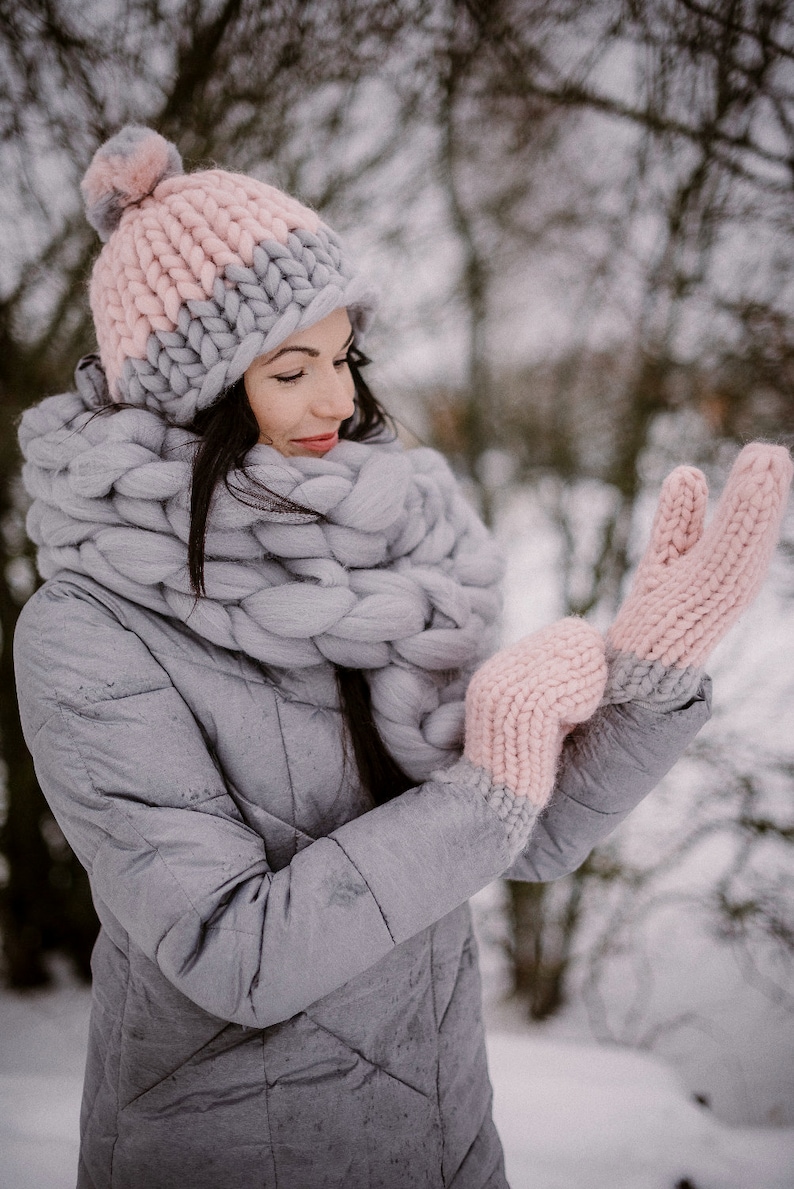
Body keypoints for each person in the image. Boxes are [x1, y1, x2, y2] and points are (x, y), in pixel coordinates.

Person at [13, 126, 791, 1189]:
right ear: (192, 395)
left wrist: (647, 678)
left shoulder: (390, 552)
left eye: (341, 358)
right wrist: (484, 786)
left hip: (444, 1140)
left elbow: (521, 836)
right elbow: (232, 952)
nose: (337, 400)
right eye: (292, 370)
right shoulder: (89, 626)